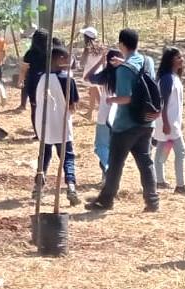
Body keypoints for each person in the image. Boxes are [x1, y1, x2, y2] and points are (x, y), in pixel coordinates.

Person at [86, 29, 160, 212]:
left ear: (121, 45)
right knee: (145, 161)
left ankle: (106, 200)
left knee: (116, 163)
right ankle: (152, 201)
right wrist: (123, 63)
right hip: (146, 121)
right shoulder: (147, 61)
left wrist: (111, 100)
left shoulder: (123, 70)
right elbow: (141, 78)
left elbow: (126, 98)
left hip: (126, 124)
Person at [34, 46, 82, 206]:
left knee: (44, 156)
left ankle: (38, 187)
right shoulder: (67, 79)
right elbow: (73, 106)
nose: (71, 61)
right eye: (68, 58)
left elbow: (35, 101)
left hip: (43, 124)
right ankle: (71, 187)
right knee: (67, 157)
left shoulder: (40, 78)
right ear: (60, 59)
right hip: (61, 124)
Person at [154, 47, 185, 195]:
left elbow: (175, 103)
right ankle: (180, 185)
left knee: (162, 150)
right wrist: (165, 122)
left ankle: (159, 180)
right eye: (178, 57)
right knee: (181, 151)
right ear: (170, 60)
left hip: (172, 122)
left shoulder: (174, 77)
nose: (182, 59)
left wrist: (179, 120)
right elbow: (162, 103)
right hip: (168, 122)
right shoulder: (167, 79)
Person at [86, 48, 123, 180]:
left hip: (104, 116)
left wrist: (99, 62)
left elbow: (87, 78)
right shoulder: (124, 75)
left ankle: (108, 170)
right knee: (112, 148)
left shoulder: (105, 75)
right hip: (119, 117)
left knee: (100, 147)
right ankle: (107, 176)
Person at [20, 29, 50, 115]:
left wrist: (21, 80)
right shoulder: (51, 53)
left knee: (34, 107)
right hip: (47, 82)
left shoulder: (29, 53)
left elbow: (24, 70)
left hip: (33, 82)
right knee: (47, 106)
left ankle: (36, 127)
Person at [77, 27, 104, 114]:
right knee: (93, 91)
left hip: (89, 73)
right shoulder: (101, 46)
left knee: (95, 90)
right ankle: (89, 113)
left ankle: (103, 111)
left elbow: (82, 62)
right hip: (99, 71)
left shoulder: (87, 48)